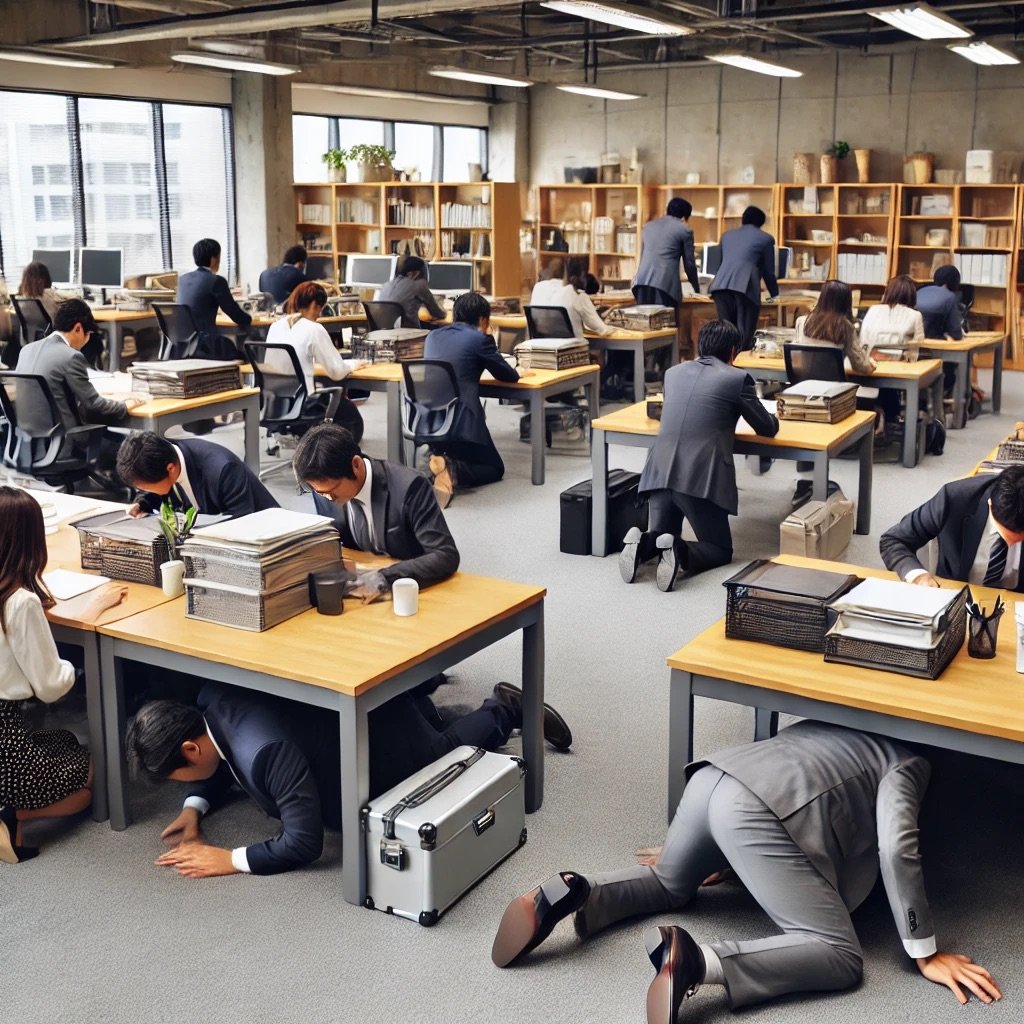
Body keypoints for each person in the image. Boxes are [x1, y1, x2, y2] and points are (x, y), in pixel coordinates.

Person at [491, 721, 1003, 1020]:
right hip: (752, 816)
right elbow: (896, 846)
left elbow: (807, 794)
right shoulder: (908, 763)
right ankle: (695, 962)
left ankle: (577, 891)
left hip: (713, 778)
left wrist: (734, 858)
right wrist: (925, 951)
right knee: (841, 955)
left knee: (669, 883)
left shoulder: (821, 720)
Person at [128, 674, 572, 878]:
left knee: (443, 757)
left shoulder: (266, 753)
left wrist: (232, 859)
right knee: (430, 729)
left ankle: (505, 707)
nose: (182, 785)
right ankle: (430, 712)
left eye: (178, 780)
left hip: (382, 741)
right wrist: (195, 806)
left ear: (189, 748)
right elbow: (218, 757)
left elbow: (304, 843)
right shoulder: (212, 699)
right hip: (349, 721)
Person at [1, 487, 128, 864]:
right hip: (5, 744)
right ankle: (11, 816)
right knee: (88, 778)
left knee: (67, 741)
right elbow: (51, 686)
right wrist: (92, 612)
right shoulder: (19, 601)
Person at [620, 319, 778, 592]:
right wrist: (776, 415)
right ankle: (681, 553)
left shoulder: (673, 374)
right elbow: (766, 428)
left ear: (701, 346)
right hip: (698, 478)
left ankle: (641, 544)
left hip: (657, 473)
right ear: (732, 351)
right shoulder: (737, 378)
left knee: (661, 536)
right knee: (719, 548)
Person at [293, 422, 458, 594]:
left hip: (407, 588)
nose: (327, 498)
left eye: (331, 490)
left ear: (356, 466)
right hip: (358, 585)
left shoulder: (409, 487)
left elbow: (445, 555)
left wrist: (384, 577)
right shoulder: (324, 489)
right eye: (320, 492)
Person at [422, 291, 521, 505]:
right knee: (495, 468)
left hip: (428, 422)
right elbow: (509, 376)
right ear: (483, 320)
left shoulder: (432, 336)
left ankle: (436, 460)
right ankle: (451, 468)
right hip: (462, 424)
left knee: (466, 453)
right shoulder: (480, 339)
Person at [15, 298, 144, 461]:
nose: (87, 339)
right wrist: (124, 405)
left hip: (29, 447)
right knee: (133, 449)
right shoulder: (71, 356)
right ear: (78, 328)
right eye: (88, 334)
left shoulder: (26, 350)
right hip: (64, 446)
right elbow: (95, 404)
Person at [879, 464, 1024, 588]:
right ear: (990, 504)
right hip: (958, 598)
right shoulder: (954, 498)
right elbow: (893, 541)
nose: (1013, 543)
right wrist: (918, 576)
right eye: (1008, 536)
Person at [262, 281, 367, 443]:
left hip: (276, 402)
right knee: (353, 422)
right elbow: (337, 371)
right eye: (320, 308)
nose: (319, 314)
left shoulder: (275, 326)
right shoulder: (314, 329)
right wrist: (353, 364)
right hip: (303, 403)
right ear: (313, 304)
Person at [116, 431, 277, 519]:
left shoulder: (223, 470)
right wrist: (141, 503)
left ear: (170, 469)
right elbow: (156, 489)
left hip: (267, 537)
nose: (144, 491)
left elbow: (240, 523)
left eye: (144, 488)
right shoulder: (165, 459)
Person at [860, 274, 925, 433]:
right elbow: (917, 348)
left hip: (869, 364)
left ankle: (881, 412)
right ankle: (895, 417)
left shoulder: (873, 310)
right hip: (898, 369)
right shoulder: (915, 315)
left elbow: (863, 340)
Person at [710, 206, 779, 351]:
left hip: (720, 287)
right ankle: (741, 369)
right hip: (745, 286)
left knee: (725, 333)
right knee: (744, 334)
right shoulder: (765, 239)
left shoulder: (726, 236)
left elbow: (720, 264)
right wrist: (775, 294)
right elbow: (769, 272)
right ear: (761, 222)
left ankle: (725, 366)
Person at [176, 238, 251, 360]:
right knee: (245, 355)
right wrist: (249, 320)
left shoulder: (182, 279)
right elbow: (233, 311)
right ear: (214, 259)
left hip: (182, 346)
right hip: (205, 346)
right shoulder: (216, 281)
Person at [793, 280, 875, 375]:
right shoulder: (845, 327)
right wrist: (870, 364)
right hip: (833, 387)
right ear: (846, 303)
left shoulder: (802, 322)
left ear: (822, 298)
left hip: (804, 385)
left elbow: (796, 357)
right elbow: (861, 367)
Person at [631, 198, 700, 308]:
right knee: (667, 323)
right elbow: (690, 264)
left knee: (644, 322)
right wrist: (696, 289)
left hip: (641, 284)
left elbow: (641, 256)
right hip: (665, 288)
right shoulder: (685, 231)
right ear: (684, 217)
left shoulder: (648, 227)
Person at [530, 256, 616, 338]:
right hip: (570, 349)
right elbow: (602, 329)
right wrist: (614, 328)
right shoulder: (576, 294)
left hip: (539, 348)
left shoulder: (538, 288)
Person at [376, 255, 445, 329]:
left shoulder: (386, 285)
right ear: (415, 273)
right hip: (408, 334)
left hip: (383, 333)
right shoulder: (418, 285)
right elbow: (438, 314)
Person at [916, 264, 963, 340]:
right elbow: (956, 333)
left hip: (913, 340)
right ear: (955, 282)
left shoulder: (920, 291)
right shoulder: (950, 297)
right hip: (933, 343)